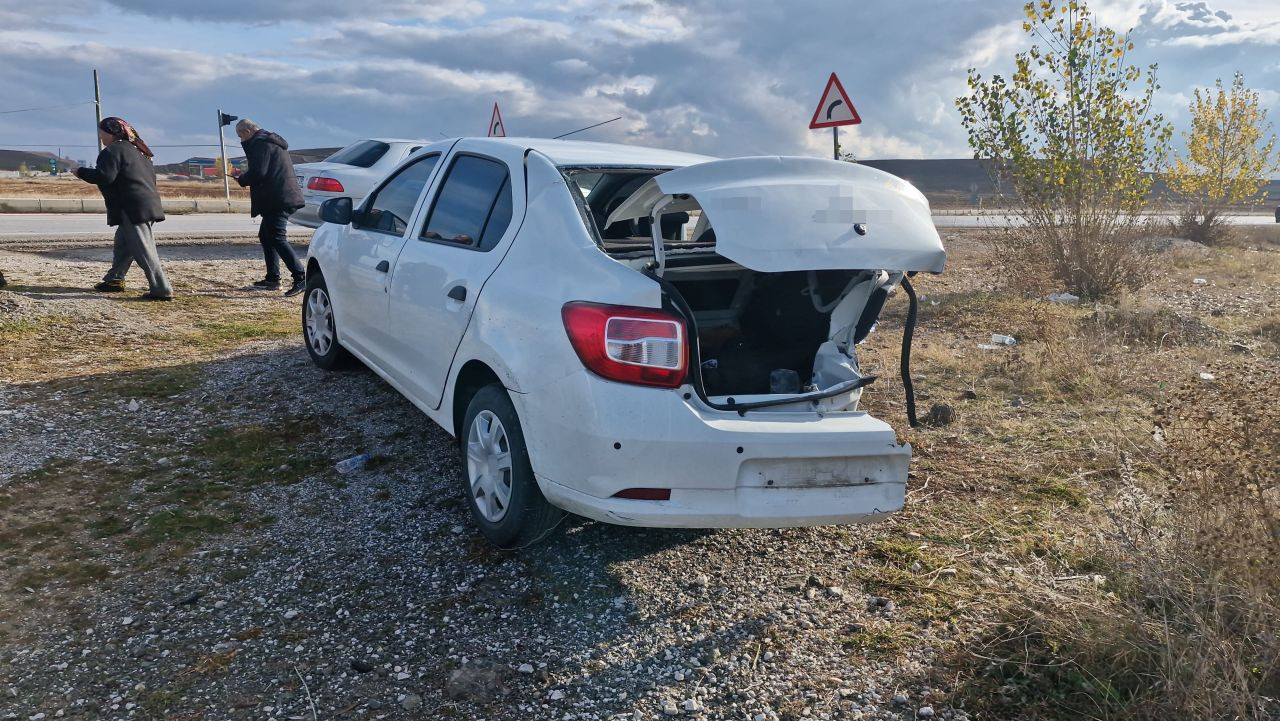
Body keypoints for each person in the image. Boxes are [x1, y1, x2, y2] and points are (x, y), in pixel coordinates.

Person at [73, 117, 172, 300]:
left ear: (111, 133)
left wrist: (81, 172)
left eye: (102, 132)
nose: (100, 136)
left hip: (132, 207)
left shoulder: (112, 151)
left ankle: (161, 289)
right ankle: (114, 280)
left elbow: (105, 177)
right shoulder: (139, 151)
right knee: (123, 244)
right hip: (145, 204)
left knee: (144, 250)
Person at [234, 119, 306, 296]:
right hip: (280, 196)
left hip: (278, 199)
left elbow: (259, 172)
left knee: (277, 237)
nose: (240, 140)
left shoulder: (261, 143)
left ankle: (301, 277)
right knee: (266, 236)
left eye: (240, 136)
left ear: (247, 131)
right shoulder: (270, 141)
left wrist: (242, 179)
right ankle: (273, 279)